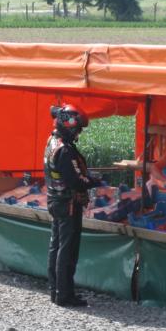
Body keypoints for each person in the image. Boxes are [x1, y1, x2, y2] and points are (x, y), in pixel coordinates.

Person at [44, 104, 101, 307]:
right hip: (67, 203)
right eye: (77, 129)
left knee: (56, 246)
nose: (78, 134)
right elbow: (75, 181)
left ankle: (55, 290)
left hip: (55, 200)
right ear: (68, 125)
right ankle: (64, 294)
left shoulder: (52, 141)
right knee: (67, 250)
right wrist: (94, 181)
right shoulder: (65, 150)